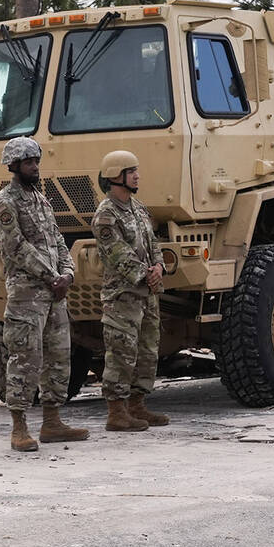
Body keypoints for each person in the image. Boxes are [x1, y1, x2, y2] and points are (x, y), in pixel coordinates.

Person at [0, 137, 90, 452]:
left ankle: (52, 422)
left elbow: (58, 241)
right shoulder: (5, 202)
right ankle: (19, 426)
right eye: (29, 162)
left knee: (59, 355)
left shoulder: (42, 201)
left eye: (36, 160)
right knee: (25, 357)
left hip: (54, 292)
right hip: (27, 293)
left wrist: (68, 273)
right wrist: (51, 276)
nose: (35, 166)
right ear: (14, 166)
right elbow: (15, 247)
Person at [91, 150, 169, 432]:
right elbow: (116, 254)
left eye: (136, 170)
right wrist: (145, 275)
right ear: (116, 176)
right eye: (131, 171)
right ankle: (116, 413)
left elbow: (153, 242)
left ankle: (137, 405)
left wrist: (159, 266)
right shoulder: (106, 214)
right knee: (121, 353)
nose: (137, 175)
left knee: (147, 351)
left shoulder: (138, 208)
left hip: (147, 294)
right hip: (122, 296)